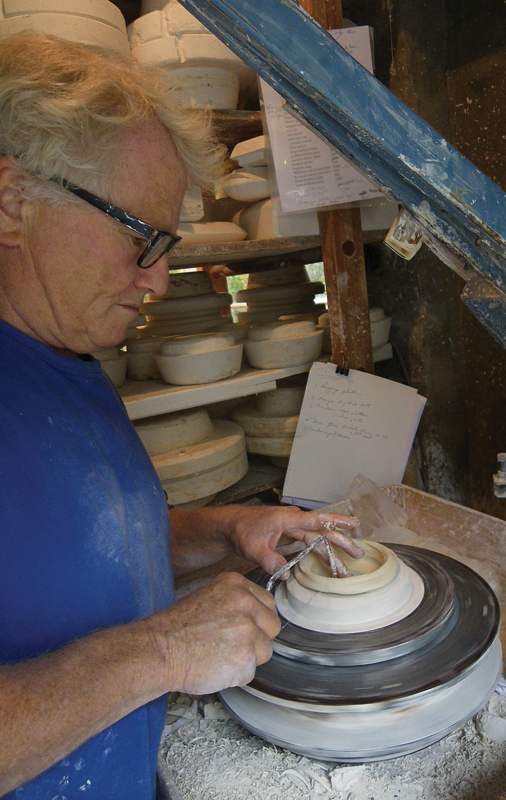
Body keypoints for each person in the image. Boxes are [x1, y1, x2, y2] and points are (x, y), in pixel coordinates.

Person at [0, 32, 362, 799]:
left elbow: (85, 541)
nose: (160, 281)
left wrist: (228, 529)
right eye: (141, 239)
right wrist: (161, 653)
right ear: (11, 200)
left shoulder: (66, 355)